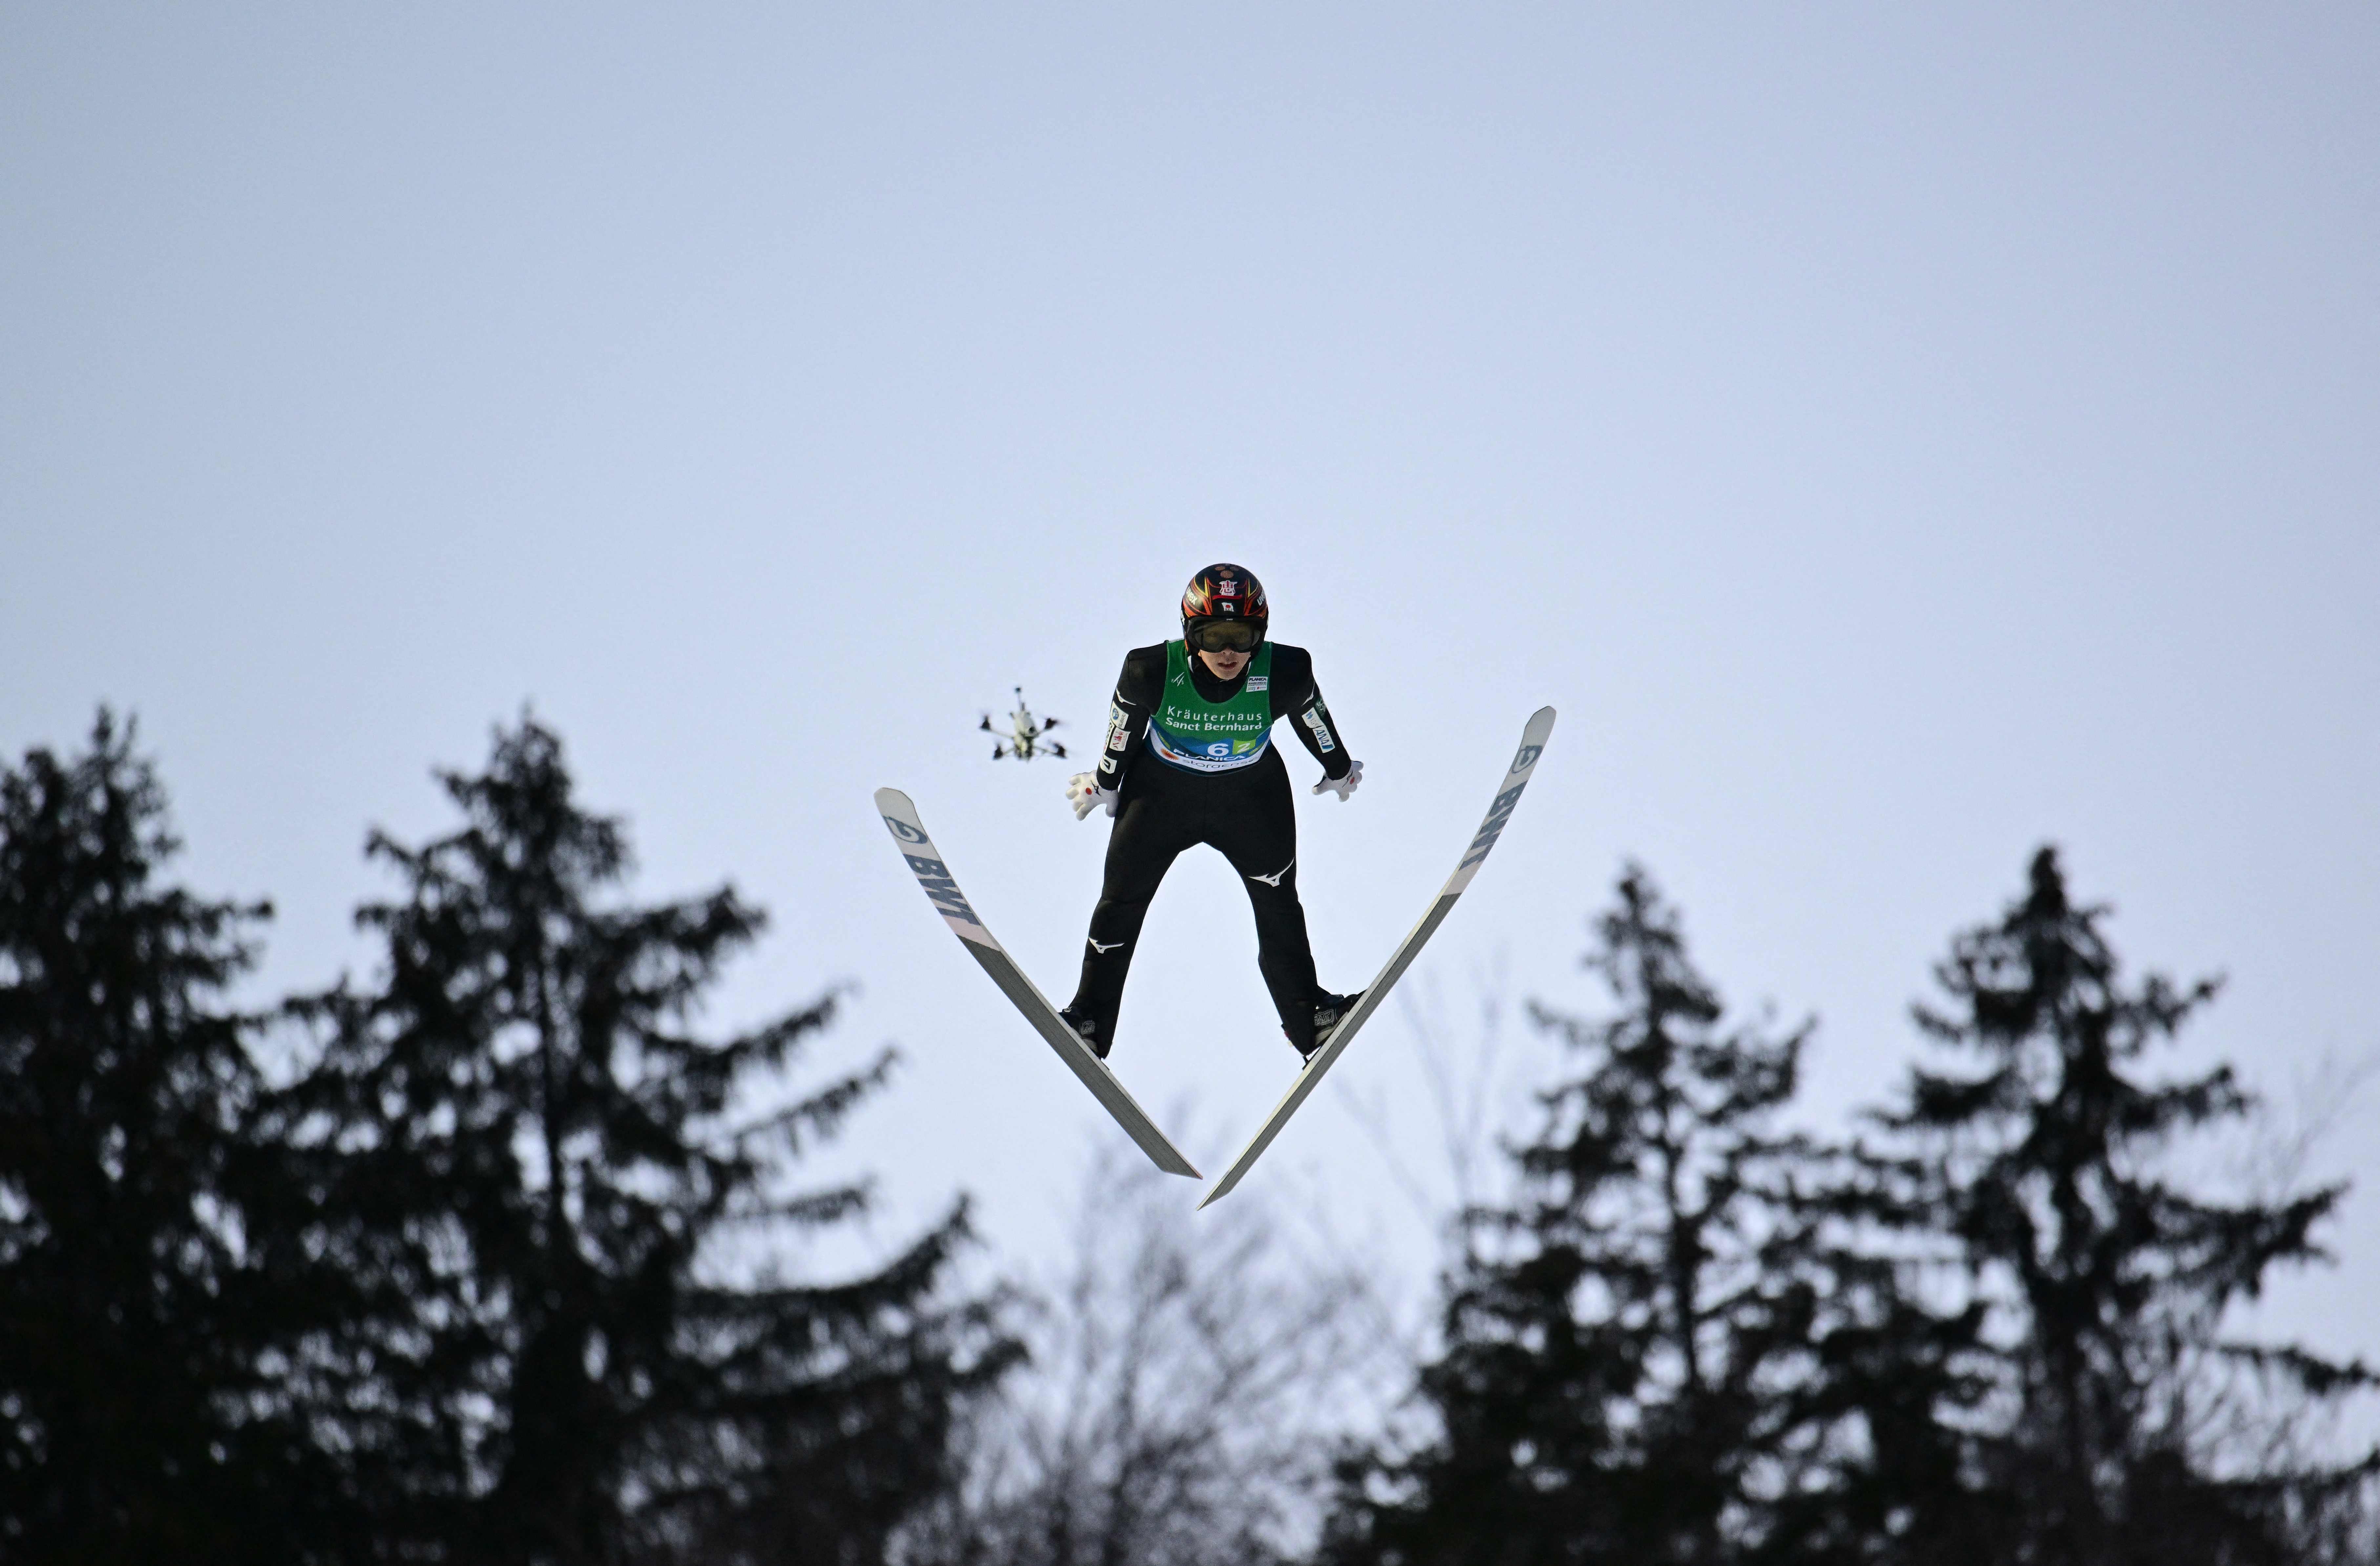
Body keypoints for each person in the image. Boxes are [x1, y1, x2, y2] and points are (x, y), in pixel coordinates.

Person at [1059, 563, 1362, 1065]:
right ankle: (1090, 1018)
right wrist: (1105, 782)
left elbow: (1317, 720)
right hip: (1159, 796)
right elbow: (1122, 731)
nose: (1228, 652)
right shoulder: (1149, 670)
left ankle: (1310, 1018)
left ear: (1260, 635)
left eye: (1241, 637)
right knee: (1120, 902)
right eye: (1214, 635)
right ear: (1189, 632)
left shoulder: (1286, 670)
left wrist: (1339, 767)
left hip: (1249, 797)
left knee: (1279, 905)